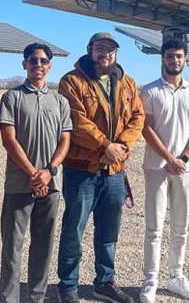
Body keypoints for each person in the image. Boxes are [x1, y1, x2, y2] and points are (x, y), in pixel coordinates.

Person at [57, 32, 145, 303]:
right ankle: (68, 288)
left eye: (110, 49)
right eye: (100, 48)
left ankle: (104, 283)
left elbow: (137, 118)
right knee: (74, 231)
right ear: (89, 50)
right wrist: (105, 145)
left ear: (116, 54)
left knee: (109, 232)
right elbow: (76, 120)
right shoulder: (72, 81)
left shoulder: (127, 83)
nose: (105, 53)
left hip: (115, 173)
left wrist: (120, 147)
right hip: (81, 170)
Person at [0, 43, 72, 303]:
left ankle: (37, 297)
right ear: (24, 64)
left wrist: (50, 171)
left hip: (51, 185)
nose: (37, 65)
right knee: (12, 246)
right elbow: (9, 139)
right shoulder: (12, 97)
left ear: (49, 66)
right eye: (33, 60)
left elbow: (65, 140)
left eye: (42, 61)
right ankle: (10, 298)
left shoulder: (60, 101)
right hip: (20, 183)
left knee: (43, 245)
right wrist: (33, 173)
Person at [138, 39, 189, 303]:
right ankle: (150, 279)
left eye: (178, 56)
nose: (173, 60)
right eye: (169, 56)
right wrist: (169, 158)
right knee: (154, 227)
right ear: (162, 59)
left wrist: (184, 158)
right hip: (157, 165)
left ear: (185, 59)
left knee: (181, 225)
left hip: (185, 168)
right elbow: (147, 128)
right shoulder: (150, 90)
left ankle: (176, 276)